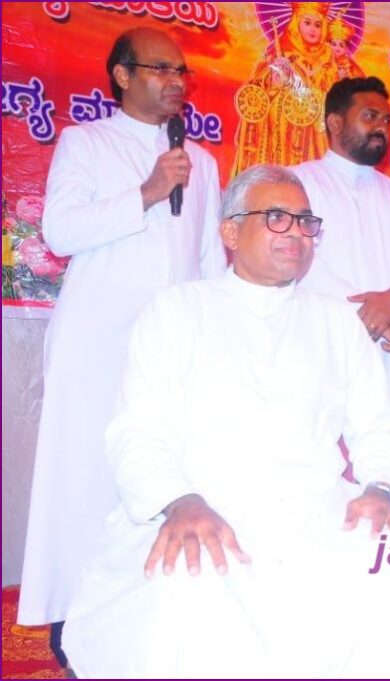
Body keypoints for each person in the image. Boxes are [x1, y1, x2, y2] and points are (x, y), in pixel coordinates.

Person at [60, 165, 390, 678]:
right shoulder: (178, 310)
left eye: (305, 222)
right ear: (230, 232)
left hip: (314, 510)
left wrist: (379, 487)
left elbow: (379, 425)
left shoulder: (336, 320)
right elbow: (138, 430)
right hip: (203, 504)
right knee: (192, 582)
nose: (297, 234)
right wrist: (180, 501)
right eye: (277, 218)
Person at [18, 27, 225, 664]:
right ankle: (74, 619)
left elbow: (210, 260)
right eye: (161, 68)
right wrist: (148, 191)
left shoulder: (201, 161)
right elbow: (60, 230)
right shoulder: (86, 142)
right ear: (122, 75)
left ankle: (143, 613)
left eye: (182, 71)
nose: (176, 82)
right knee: (85, 478)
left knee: (162, 472)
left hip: (174, 346)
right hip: (96, 340)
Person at [292, 77, 390, 464]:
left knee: (387, 458)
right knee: (322, 461)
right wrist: (373, 314)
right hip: (323, 342)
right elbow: (300, 264)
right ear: (335, 123)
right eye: (370, 116)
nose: (382, 128)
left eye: (387, 120)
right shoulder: (298, 183)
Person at [230, 2, 338, 175]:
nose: (313, 29)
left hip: (313, 135)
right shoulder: (279, 50)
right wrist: (274, 83)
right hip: (281, 129)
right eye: (307, 23)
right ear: (296, 23)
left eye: (318, 25)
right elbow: (257, 92)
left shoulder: (328, 59)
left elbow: (332, 96)